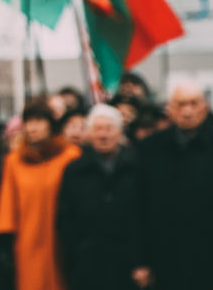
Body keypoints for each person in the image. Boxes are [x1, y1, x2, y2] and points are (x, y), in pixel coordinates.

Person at [134, 80, 213, 290]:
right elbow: (138, 208)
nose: (187, 111)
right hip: (163, 260)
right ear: (169, 109)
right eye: (180, 104)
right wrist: (140, 261)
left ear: (205, 107)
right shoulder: (150, 149)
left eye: (194, 103)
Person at [0, 97, 80, 290]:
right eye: (28, 122)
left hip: (61, 240)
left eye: (39, 121)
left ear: (50, 124)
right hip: (28, 239)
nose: (33, 127)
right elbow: (7, 203)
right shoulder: (14, 161)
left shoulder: (70, 156)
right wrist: (5, 241)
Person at [54, 104, 142, 290]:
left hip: (127, 263)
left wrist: (143, 261)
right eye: (98, 129)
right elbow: (65, 221)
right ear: (89, 133)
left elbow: (147, 216)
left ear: (119, 133)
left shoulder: (137, 167)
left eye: (109, 129)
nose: (103, 135)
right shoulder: (74, 170)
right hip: (86, 263)